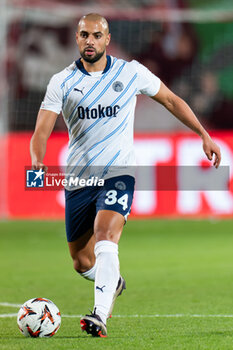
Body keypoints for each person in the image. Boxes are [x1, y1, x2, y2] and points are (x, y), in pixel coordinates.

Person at [30, 13, 221, 338]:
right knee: (81, 260)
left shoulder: (131, 72)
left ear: (107, 39)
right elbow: (41, 130)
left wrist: (203, 134)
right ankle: (111, 280)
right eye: (84, 35)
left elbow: (171, 100)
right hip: (79, 178)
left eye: (96, 35)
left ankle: (99, 315)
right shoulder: (61, 81)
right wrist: (37, 162)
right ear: (78, 39)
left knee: (106, 235)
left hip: (119, 172)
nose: (90, 41)